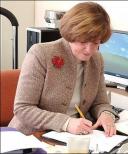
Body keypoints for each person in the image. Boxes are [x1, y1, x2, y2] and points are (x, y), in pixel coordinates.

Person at [8, 2, 118, 137]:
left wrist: (105, 115)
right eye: (83, 42)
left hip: (74, 138)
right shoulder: (41, 54)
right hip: (32, 135)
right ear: (71, 34)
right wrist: (66, 123)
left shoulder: (97, 59)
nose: (89, 50)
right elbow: (23, 108)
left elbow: (100, 102)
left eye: (96, 43)